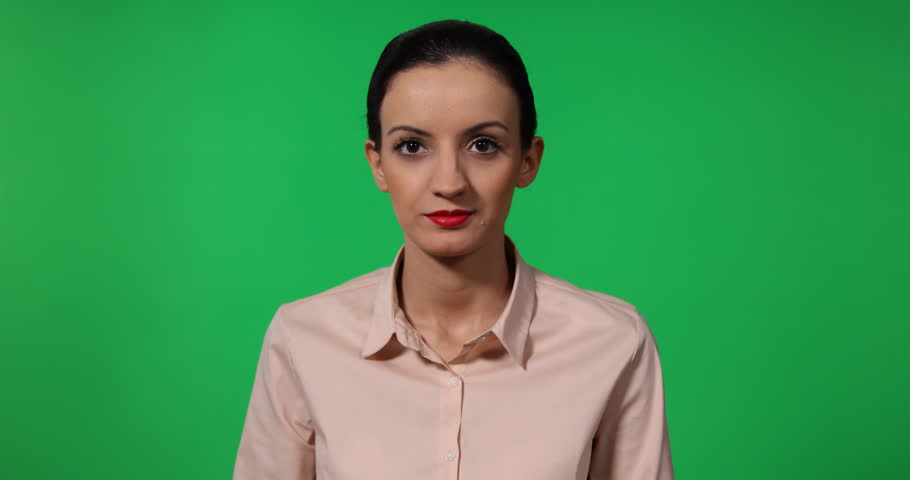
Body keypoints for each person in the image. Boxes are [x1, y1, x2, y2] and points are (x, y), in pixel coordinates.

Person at [233, 19, 673, 479]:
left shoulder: (613, 343)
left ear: (528, 160)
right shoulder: (302, 340)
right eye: (411, 146)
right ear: (377, 164)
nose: (449, 183)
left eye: (483, 145)